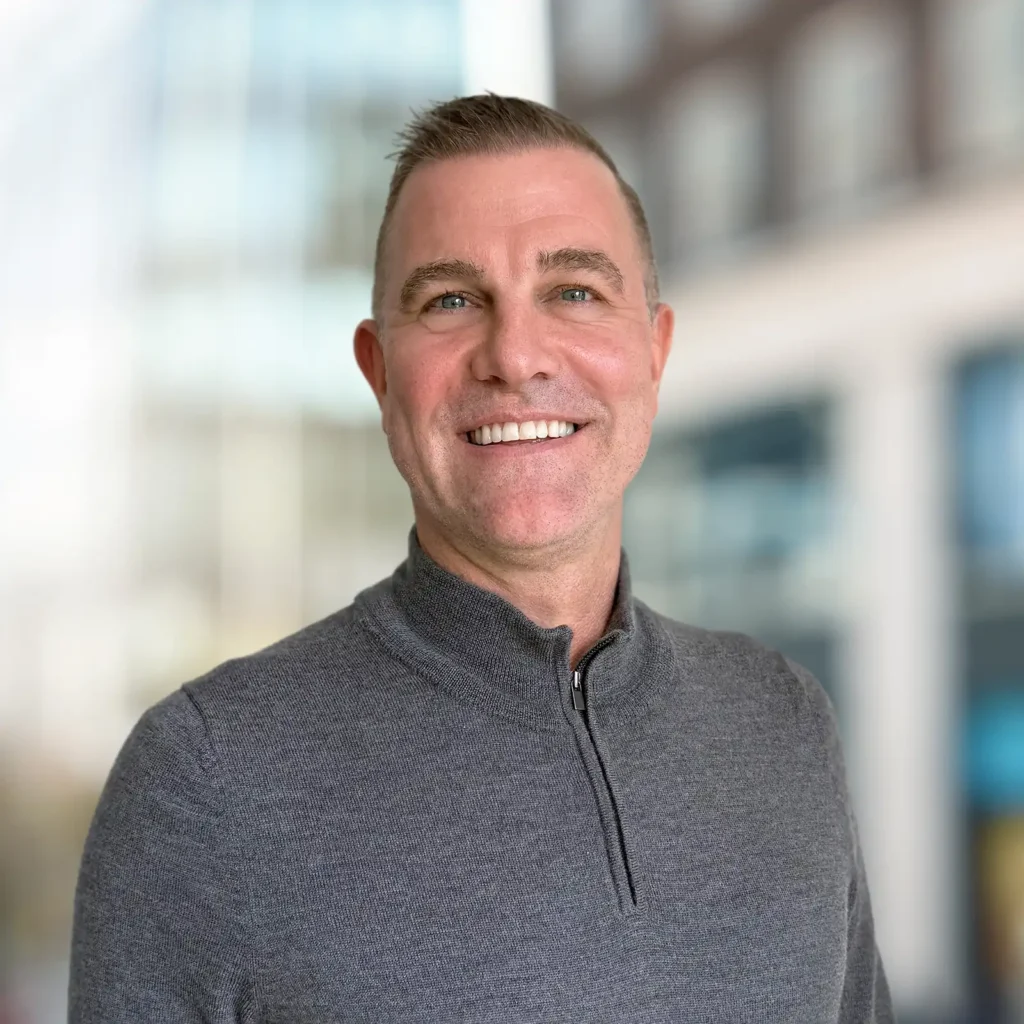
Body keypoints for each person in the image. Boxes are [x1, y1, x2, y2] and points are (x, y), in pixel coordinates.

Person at [68, 94, 894, 1023]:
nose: (515, 353)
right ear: (380, 374)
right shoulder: (207, 777)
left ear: (652, 352)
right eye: (451, 300)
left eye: (574, 291)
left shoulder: (782, 723)